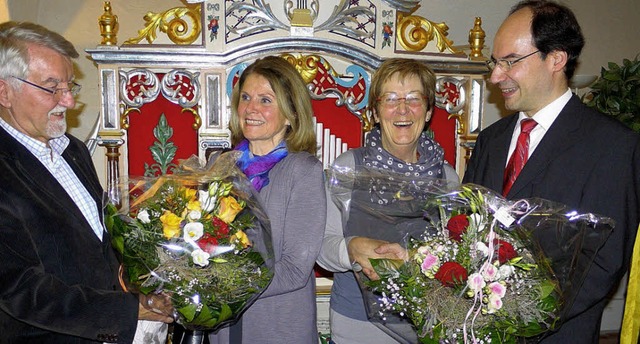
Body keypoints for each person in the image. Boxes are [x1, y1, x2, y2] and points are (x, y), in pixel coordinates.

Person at [463, 1, 640, 342]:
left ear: (556, 59)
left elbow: (602, 264)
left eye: (509, 62)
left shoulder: (613, 146)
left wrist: (515, 315)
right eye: (495, 62)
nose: (495, 76)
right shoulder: (490, 140)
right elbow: (467, 228)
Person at [0, 21, 174, 343]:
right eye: (53, 87)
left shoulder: (74, 149)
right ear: (5, 92)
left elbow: (97, 244)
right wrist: (128, 309)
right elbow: (18, 288)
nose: (68, 101)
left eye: (70, 86)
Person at [317, 58, 459, 344]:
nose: (402, 109)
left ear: (429, 111)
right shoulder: (349, 168)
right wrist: (351, 248)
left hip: (427, 326)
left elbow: (455, 255)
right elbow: (322, 248)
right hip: (357, 328)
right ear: (376, 112)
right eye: (390, 99)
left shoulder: (448, 177)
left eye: (414, 99)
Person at [209, 56, 326, 344]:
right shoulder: (220, 165)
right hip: (222, 329)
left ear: (290, 114)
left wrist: (224, 285)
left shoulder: (303, 171)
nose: (251, 108)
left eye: (265, 100)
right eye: (246, 97)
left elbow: (295, 270)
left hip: (278, 328)